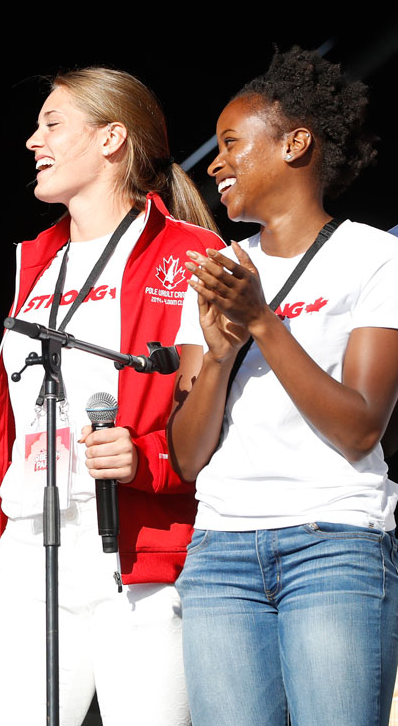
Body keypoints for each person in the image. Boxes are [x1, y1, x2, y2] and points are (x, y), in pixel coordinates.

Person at [0, 67, 222, 725]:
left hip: (136, 553)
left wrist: (149, 461)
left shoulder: (191, 255)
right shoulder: (37, 261)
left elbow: (228, 413)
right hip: (30, 546)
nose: (33, 140)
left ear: (112, 139)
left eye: (52, 124)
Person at [168, 47, 398, 726]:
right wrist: (216, 354)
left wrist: (264, 324)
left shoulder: (375, 257)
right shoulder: (218, 271)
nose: (215, 163)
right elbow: (186, 456)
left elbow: (359, 427)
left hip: (334, 545)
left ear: (296, 144)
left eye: (233, 142)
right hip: (220, 553)